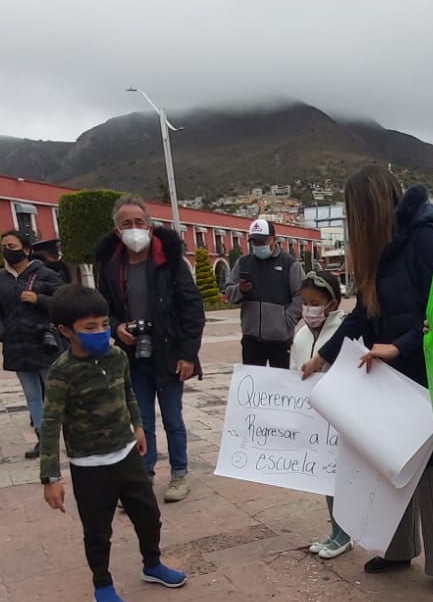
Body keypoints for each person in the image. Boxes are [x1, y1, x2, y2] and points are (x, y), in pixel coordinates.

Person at [302, 165, 433, 595]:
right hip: (386, 378)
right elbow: (361, 314)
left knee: (431, 472)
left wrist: (401, 345)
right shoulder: (375, 248)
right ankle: (397, 551)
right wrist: (323, 358)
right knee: (390, 468)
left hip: (427, 376)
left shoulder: (424, 237)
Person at [39, 284, 186, 602]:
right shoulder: (61, 372)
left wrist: (136, 425)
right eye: (89, 328)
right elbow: (50, 424)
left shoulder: (117, 355)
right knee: (98, 530)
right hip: (89, 465)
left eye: (104, 325)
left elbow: (128, 391)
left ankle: (153, 564)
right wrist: (50, 477)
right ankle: (102, 583)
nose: (100, 332)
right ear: (65, 331)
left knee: (149, 516)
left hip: (127, 455)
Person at [93, 195, 205, 504]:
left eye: (139, 223)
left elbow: (192, 310)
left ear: (150, 226)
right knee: (140, 420)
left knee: (172, 418)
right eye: (126, 224)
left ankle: (180, 474)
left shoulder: (170, 262)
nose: (133, 229)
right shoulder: (109, 266)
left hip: (169, 353)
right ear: (117, 231)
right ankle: (144, 477)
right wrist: (115, 326)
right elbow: (103, 307)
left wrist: (188, 355)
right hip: (132, 356)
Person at [0, 229, 65, 460]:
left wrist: (39, 300)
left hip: (44, 344)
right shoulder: (0, 279)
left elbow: (65, 302)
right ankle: (43, 439)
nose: (7, 251)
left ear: (26, 249)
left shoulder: (45, 274)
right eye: (4, 246)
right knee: (32, 396)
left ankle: (69, 435)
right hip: (17, 346)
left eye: (12, 246)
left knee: (55, 394)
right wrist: (1, 331)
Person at [290, 272, 350, 559]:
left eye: (315, 303)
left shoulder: (343, 334)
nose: (309, 309)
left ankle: (346, 534)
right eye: (305, 302)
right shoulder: (301, 335)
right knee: (326, 479)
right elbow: (293, 374)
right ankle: (336, 531)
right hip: (313, 419)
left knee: (340, 479)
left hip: (338, 419)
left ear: (332, 304)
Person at [222, 217, 303, 368]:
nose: (257, 246)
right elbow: (229, 292)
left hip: (280, 340)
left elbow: (300, 295)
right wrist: (240, 290)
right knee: (253, 386)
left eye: (261, 242)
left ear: (273, 239)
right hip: (251, 339)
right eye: (254, 242)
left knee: (278, 385)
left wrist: (287, 321)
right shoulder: (243, 262)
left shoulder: (290, 264)